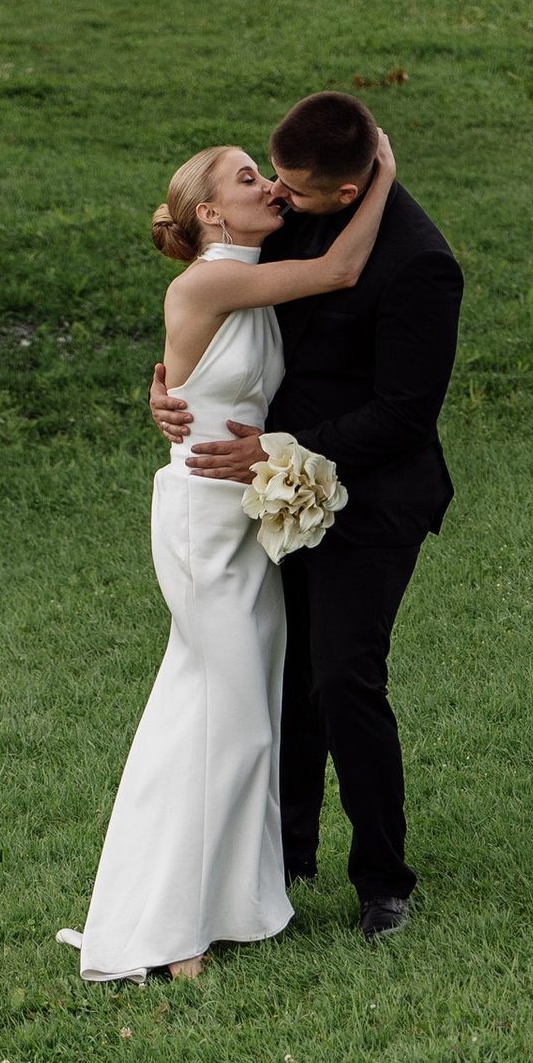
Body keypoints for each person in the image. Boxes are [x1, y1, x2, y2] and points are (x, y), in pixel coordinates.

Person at [61, 137, 392, 985]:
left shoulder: (249, 269)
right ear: (210, 212)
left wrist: (167, 386)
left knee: (226, 712)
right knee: (233, 714)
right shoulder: (209, 278)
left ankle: (223, 903)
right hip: (203, 525)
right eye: (248, 178)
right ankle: (173, 933)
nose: (269, 186)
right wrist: (381, 173)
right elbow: (342, 271)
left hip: (246, 523)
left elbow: (201, 370)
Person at [150, 90, 463, 944]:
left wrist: (275, 449)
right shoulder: (290, 212)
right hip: (266, 491)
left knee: (342, 678)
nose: (279, 196)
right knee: (281, 678)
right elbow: (221, 302)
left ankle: (384, 880)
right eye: (270, 179)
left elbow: (404, 414)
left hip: (372, 494)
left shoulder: (420, 264)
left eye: (293, 185)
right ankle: (282, 857)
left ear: (351, 194)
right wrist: (172, 388)